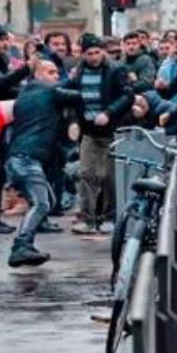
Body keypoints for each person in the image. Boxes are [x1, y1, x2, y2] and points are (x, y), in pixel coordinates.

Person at [5, 59, 83, 267]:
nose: (56, 77)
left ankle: (26, 245)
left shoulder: (27, 92)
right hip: (26, 158)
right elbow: (77, 96)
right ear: (38, 75)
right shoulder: (46, 90)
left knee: (45, 199)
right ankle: (20, 247)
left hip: (23, 157)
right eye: (51, 72)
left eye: (57, 72)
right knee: (42, 203)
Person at [66, 34, 131, 234]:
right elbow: (72, 98)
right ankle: (87, 218)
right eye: (89, 53)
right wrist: (73, 122)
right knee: (86, 173)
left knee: (109, 177)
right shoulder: (79, 72)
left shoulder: (116, 69)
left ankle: (109, 216)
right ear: (83, 54)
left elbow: (128, 95)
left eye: (97, 52)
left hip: (111, 130)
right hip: (89, 131)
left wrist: (109, 112)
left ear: (102, 51)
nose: (94, 57)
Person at [0, 23, 30, 235]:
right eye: (1, 39)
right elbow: (0, 84)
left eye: (7, 39)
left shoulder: (0, 60)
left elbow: (6, 89)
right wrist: (27, 68)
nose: (6, 44)